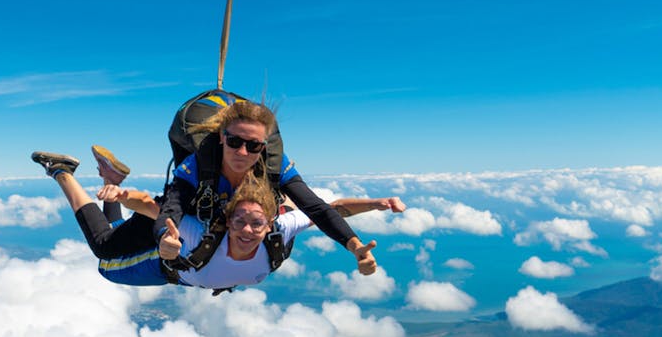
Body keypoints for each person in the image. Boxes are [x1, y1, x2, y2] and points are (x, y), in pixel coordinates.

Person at [32, 149, 405, 290]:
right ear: (227, 219)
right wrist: (123, 197)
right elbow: (151, 206)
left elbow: (332, 209)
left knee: (115, 239)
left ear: (270, 220)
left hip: (173, 234)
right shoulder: (197, 233)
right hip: (170, 244)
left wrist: (376, 204)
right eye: (239, 221)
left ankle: (110, 179)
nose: (247, 230)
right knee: (104, 257)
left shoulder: (282, 225)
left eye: (256, 224)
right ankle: (63, 173)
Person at [154, 98, 381, 276]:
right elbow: (172, 207)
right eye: (234, 142)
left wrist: (354, 246)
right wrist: (165, 236)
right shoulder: (198, 164)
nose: (242, 152)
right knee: (117, 260)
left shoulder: (274, 165)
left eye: (253, 146)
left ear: (263, 146)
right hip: (193, 229)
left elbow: (316, 208)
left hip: (242, 231)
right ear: (222, 137)